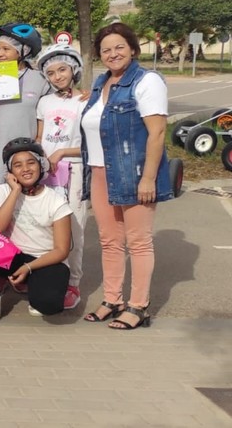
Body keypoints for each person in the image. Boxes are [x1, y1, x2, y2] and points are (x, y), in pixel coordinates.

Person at [80, 22, 171, 330]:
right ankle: (112, 299)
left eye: (119, 47)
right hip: (99, 172)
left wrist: (148, 178)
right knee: (109, 241)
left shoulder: (147, 81)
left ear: (133, 48)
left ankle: (138, 306)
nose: (112, 54)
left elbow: (157, 133)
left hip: (132, 173)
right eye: (106, 50)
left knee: (139, 242)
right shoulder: (99, 84)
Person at [0, 138, 72, 325]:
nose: (25, 169)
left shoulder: (56, 200)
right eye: (17, 165)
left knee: (48, 306)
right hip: (14, 255)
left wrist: (28, 268)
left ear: (40, 165)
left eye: (31, 162)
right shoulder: (5, 191)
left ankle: (30, 286)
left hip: (45, 259)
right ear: (10, 172)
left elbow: (61, 250)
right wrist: (15, 191)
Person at [34, 43, 88, 311]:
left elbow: (91, 143)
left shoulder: (85, 101)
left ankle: (73, 283)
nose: (58, 76)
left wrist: (63, 151)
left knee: (74, 228)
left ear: (73, 70)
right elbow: (40, 137)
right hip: (48, 174)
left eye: (63, 70)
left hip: (75, 171)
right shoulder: (44, 102)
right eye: (52, 73)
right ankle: (48, 277)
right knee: (47, 228)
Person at [0, 22, 51, 199]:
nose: (0, 54)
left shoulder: (40, 79)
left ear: (23, 50)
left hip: (26, 160)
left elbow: (50, 112)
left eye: (6, 49)